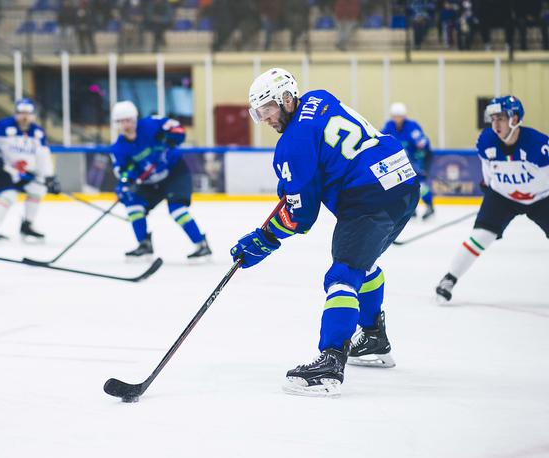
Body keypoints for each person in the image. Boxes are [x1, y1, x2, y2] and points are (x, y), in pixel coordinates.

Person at [230, 68, 420, 397]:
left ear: (287, 100)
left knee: (343, 275)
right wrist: (295, 183)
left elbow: (302, 215)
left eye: (269, 110)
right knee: (365, 263)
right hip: (402, 181)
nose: (266, 120)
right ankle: (374, 337)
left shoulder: (291, 145)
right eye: (259, 113)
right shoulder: (319, 97)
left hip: (369, 196)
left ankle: (330, 361)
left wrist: (265, 238)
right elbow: (322, 153)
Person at [435, 96, 549, 303]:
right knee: (481, 236)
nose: (495, 124)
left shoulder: (539, 146)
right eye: (493, 119)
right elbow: (488, 176)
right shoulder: (486, 140)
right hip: (503, 197)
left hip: (542, 199)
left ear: (515, 118)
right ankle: (449, 278)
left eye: (501, 118)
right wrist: (490, 193)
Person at [110, 101, 211, 260]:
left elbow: (178, 129)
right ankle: (144, 244)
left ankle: (201, 244)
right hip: (150, 183)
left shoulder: (151, 124)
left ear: (135, 118)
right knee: (133, 205)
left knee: (177, 209)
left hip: (174, 173)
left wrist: (171, 137)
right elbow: (124, 172)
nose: (125, 124)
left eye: (128, 120)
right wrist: (124, 184)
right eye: (121, 121)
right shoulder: (118, 148)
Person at [0, 98, 61, 242]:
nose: (24, 117)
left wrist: (50, 177)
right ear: (15, 114)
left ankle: (27, 226)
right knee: (8, 195)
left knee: (37, 190)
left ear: (33, 115)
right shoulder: (3, 126)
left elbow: (43, 156)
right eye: (21, 113)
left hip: (19, 172)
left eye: (28, 113)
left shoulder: (38, 133)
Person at [382, 102, 435, 220]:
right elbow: (382, 140)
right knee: (404, 184)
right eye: (395, 116)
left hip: (417, 159)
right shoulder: (389, 126)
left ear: (404, 116)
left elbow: (423, 144)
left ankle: (429, 205)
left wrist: (419, 157)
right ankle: (411, 209)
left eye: (399, 116)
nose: (397, 119)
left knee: (421, 184)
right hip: (400, 162)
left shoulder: (412, 126)